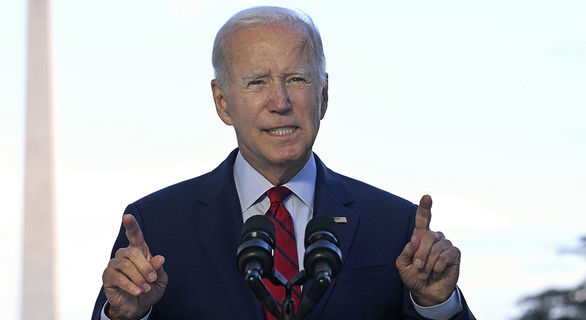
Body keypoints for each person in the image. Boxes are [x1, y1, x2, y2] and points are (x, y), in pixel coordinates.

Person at [92, 6, 475, 320]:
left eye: (296, 79)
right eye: (257, 82)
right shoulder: (156, 226)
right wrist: (127, 317)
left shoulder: (395, 225)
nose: (280, 102)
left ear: (324, 95)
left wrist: (436, 306)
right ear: (222, 102)